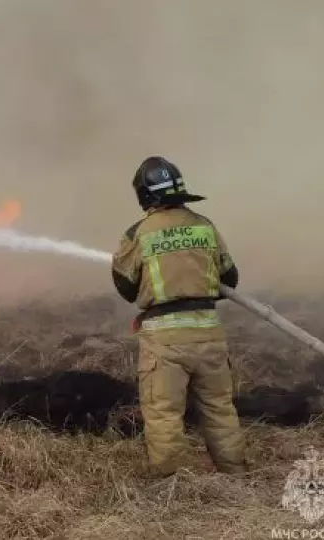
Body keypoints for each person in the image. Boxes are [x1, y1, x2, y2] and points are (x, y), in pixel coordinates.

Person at [110, 156, 248, 477]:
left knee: (163, 415)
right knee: (220, 410)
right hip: (209, 335)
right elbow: (230, 279)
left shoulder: (138, 234)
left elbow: (126, 287)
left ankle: (170, 487)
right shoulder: (204, 226)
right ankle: (237, 476)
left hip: (165, 342)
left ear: (145, 194)